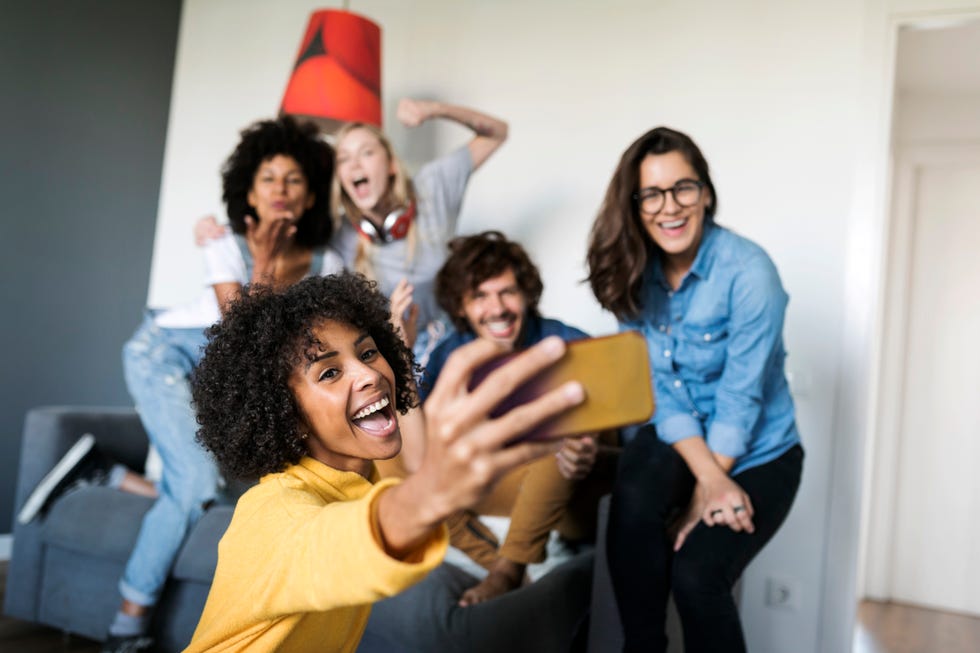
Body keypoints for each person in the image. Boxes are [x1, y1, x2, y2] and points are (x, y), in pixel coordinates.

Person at [19, 116, 340, 653]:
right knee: (192, 485)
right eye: (268, 179)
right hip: (163, 358)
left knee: (238, 495)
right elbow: (241, 333)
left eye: (293, 180)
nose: (281, 190)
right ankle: (128, 623)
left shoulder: (324, 262)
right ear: (249, 193)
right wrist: (260, 259)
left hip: (221, 381)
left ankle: (103, 476)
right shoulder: (225, 243)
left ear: (309, 197)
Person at [183, 273, 585, 653]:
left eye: (369, 352)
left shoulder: (363, 472)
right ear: (285, 413)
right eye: (329, 373)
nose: (369, 374)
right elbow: (340, 544)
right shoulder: (273, 511)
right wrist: (431, 491)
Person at [585, 126, 804, 652]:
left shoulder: (750, 273)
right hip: (681, 436)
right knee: (633, 498)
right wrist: (705, 480)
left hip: (759, 451)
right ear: (635, 205)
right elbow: (659, 389)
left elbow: (740, 399)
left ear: (705, 192)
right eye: (652, 194)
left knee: (696, 575)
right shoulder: (631, 273)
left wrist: (707, 490)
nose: (670, 207)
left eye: (683, 187)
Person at [408, 230, 615, 605]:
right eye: (480, 297)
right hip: (499, 485)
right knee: (403, 456)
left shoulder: (568, 343)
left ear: (525, 296)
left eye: (507, 292)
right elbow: (420, 437)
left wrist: (590, 444)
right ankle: (496, 563)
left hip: (571, 484)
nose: (497, 308)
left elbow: (620, 425)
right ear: (461, 307)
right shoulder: (449, 355)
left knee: (559, 432)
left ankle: (509, 570)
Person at [331, 98, 508, 364]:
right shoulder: (337, 236)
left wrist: (436, 109)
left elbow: (496, 133)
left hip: (454, 346)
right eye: (344, 159)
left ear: (391, 165)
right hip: (391, 362)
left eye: (366, 153)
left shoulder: (432, 187)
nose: (355, 165)